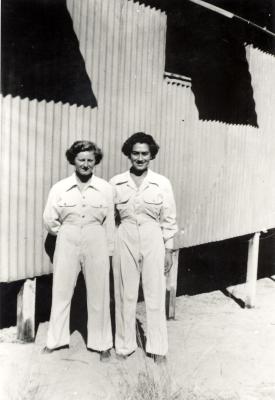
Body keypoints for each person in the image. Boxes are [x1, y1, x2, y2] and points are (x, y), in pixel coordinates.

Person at [43, 140, 114, 362]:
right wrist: (66, 233)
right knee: (62, 291)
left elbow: (110, 221)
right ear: (73, 160)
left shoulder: (105, 188)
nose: (85, 164)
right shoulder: (60, 187)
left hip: (96, 238)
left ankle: (102, 344)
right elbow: (49, 220)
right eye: (81, 159)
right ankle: (55, 341)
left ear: (96, 162)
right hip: (68, 237)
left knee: (99, 293)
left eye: (90, 160)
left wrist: (108, 249)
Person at [110, 132, 177, 364]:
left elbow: (169, 219)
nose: (140, 158)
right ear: (129, 154)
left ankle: (157, 348)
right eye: (136, 153)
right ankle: (124, 345)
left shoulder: (161, 183)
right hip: (125, 235)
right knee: (124, 293)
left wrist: (169, 249)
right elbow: (110, 218)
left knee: (155, 293)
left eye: (144, 154)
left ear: (151, 155)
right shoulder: (116, 182)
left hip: (152, 238)